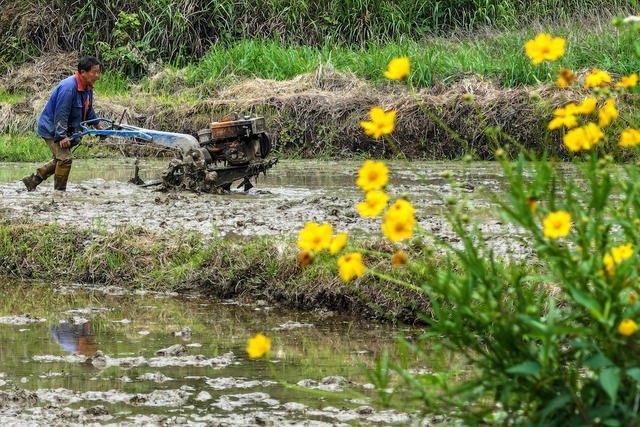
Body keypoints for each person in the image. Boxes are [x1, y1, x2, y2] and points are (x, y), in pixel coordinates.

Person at [22, 55, 104, 192]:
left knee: (60, 159)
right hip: (51, 128)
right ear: (83, 73)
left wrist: (98, 125)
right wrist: (61, 136)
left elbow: (88, 109)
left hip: (66, 128)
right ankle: (60, 193)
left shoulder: (88, 88)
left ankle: (32, 181)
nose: (97, 75)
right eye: (94, 72)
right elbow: (61, 113)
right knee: (65, 159)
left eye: (98, 72)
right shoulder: (68, 88)